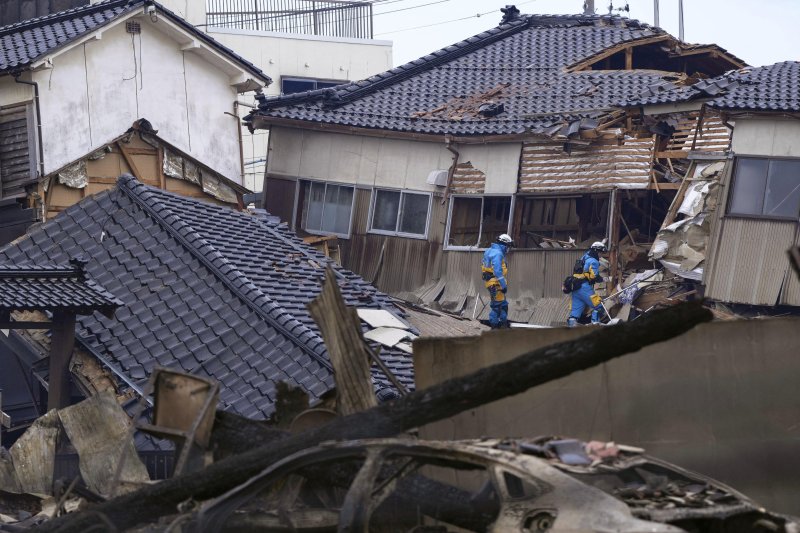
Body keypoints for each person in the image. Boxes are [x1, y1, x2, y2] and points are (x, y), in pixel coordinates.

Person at [567, 241, 606, 327]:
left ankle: (571, 329)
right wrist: (604, 279)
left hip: (575, 287)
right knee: (599, 307)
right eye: (601, 252)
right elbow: (594, 276)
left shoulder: (584, 257)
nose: (601, 255)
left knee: (575, 313)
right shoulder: (594, 261)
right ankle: (595, 326)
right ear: (596, 251)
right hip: (584, 288)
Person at [481, 234, 513, 329]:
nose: (508, 248)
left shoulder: (489, 251)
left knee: (502, 305)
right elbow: (497, 271)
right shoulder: (498, 253)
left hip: (491, 282)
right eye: (508, 246)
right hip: (496, 283)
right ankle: (495, 327)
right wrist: (503, 285)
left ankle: (502, 325)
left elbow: (485, 266)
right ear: (505, 244)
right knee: (498, 307)